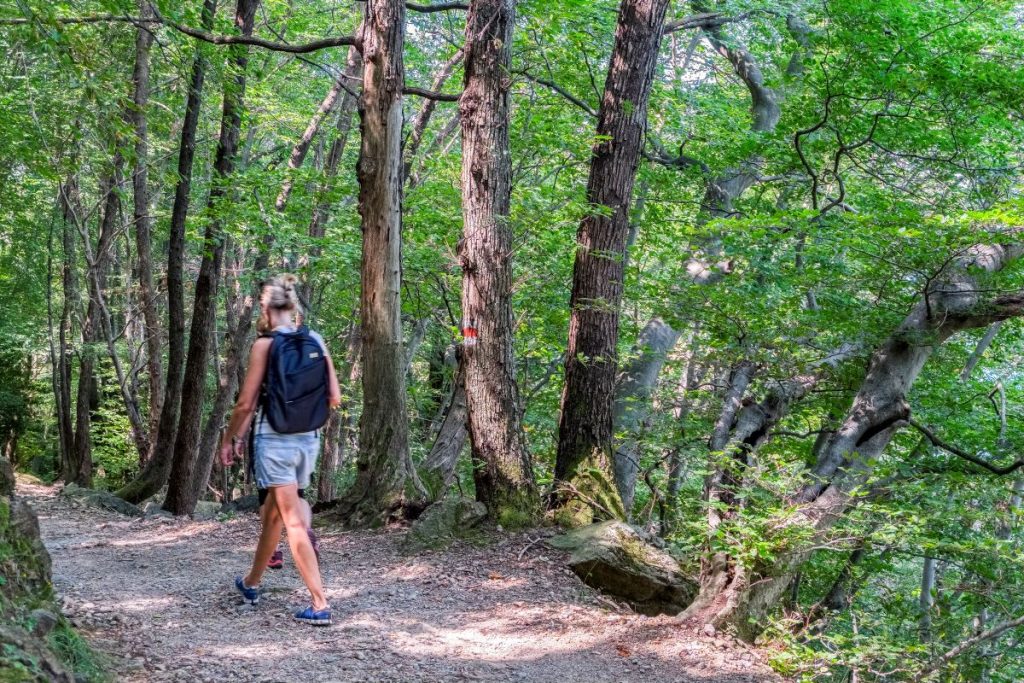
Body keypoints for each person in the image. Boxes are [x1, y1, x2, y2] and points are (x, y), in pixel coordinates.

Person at [219, 274, 341, 626]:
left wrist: (230, 438)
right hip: (309, 440)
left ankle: (319, 604)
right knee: (274, 515)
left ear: (265, 308)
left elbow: (246, 404)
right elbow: (334, 396)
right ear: (292, 306)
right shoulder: (315, 339)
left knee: (292, 522)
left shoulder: (265, 345)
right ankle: (251, 583)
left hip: (275, 441)